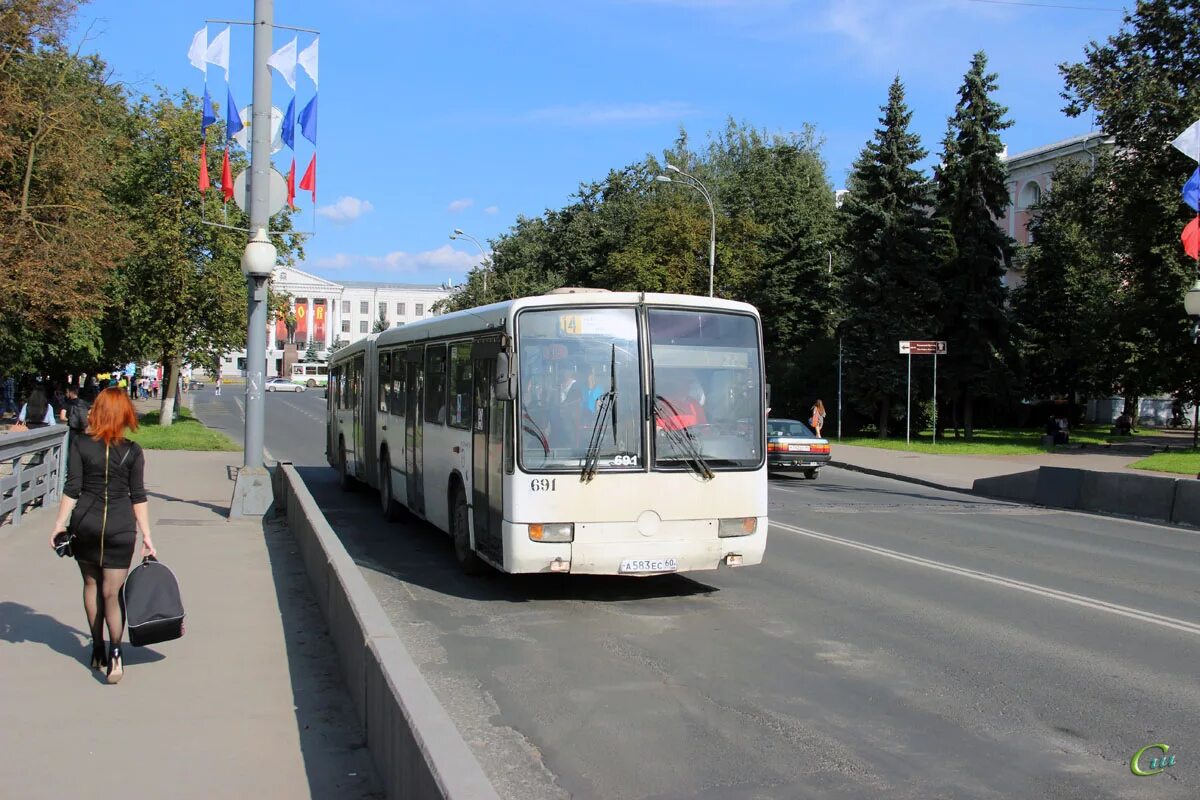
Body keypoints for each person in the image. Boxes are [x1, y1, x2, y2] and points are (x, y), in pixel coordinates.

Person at [49, 388, 155, 684]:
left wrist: (59, 524)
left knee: (91, 585)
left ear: (97, 412)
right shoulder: (133, 451)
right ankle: (116, 653)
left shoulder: (81, 444)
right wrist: (147, 535)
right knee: (113, 593)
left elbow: (73, 488)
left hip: (86, 525)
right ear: (125, 415)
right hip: (121, 529)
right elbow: (138, 496)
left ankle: (97, 648)